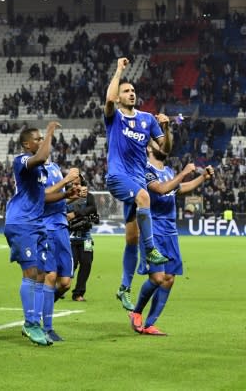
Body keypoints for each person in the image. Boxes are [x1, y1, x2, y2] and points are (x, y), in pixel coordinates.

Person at [104, 57, 172, 311]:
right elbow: (109, 99)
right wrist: (119, 70)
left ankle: (123, 288)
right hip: (117, 178)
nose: (131, 93)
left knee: (131, 239)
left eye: (133, 90)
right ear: (120, 96)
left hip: (136, 181)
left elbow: (162, 150)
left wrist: (165, 128)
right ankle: (152, 250)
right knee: (145, 198)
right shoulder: (114, 118)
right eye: (126, 91)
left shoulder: (147, 119)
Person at [129, 142, 214, 335]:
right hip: (153, 230)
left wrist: (202, 177)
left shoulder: (168, 170)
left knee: (169, 279)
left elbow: (181, 188)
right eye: (157, 143)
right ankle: (136, 312)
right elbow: (160, 189)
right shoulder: (144, 169)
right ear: (149, 149)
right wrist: (183, 173)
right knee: (158, 277)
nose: (163, 145)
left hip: (170, 232)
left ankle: (149, 324)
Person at [4, 121, 59, 346]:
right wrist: (49, 133)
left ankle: (34, 322)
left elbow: (43, 197)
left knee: (40, 274)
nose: (40, 142)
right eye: (36, 139)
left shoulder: (39, 170)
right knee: (30, 273)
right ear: (27, 144)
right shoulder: (22, 161)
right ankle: (30, 323)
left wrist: (67, 195)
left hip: (36, 224)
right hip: (21, 223)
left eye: (40, 139)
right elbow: (42, 156)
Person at [41, 161, 80, 341]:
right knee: (50, 276)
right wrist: (66, 181)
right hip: (46, 228)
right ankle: (47, 327)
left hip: (62, 228)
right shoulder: (37, 169)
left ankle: (44, 305)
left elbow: (60, 201)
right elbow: (42, 197)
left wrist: (73, 195)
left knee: (65, 283)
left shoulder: (55, 166)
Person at [67, 173, 99, 302]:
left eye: (78, 183)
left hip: (86, 237)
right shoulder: (66, 198)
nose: (76, 186)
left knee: (86, 264)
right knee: (71, 265)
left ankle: (78, 293)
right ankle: (61, 286)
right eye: (74, 184)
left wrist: (76, 214)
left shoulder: (89, 197)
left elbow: (93, 209)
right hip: (69, 238)